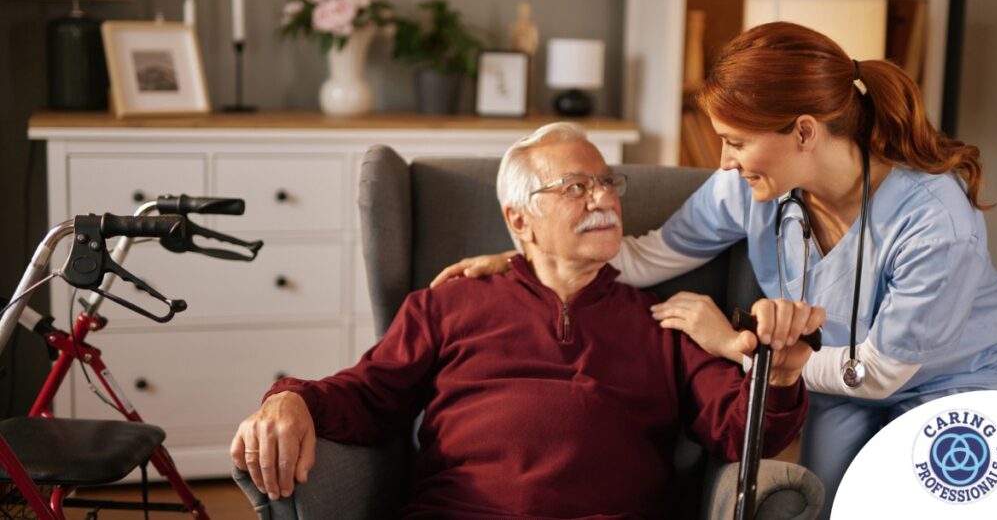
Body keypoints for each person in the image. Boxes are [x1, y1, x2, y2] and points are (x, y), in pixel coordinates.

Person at [430, 22, 997, 518]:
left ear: (804, 132)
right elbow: (645, 255)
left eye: (735, 141)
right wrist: (529, 260)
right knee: (821, 503)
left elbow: (880, 373)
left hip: (952, 383)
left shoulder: (933, 220)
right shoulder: (747, 188)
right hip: (835, 383)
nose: (723, 160)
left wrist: (735, 345)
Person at [231, 122, 814, 519]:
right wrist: (290, 399)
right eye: (576, 187)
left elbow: (740, 431)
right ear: (520, 218)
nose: (604, 200)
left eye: (608, 183)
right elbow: (369, 393)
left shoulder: (665, 321)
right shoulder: (446, 304)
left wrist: (782, 375)